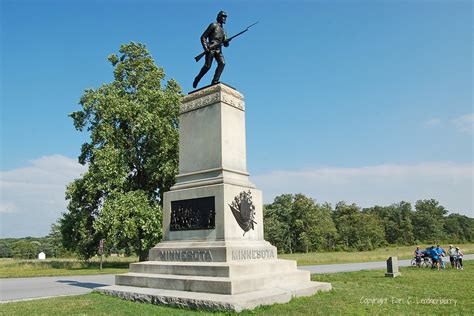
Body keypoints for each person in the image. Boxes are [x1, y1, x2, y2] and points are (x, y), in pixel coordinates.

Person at [193, 11, 229, 88]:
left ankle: (215, 81)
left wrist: (227, 42)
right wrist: (205, 47)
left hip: (218, 50)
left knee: (222, 63)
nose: (224, 18)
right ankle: (197, 78)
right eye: (223, 16)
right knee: (207, 66)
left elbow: (226, 44)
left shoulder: (224, 30)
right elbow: (203, 37)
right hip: (211, 48)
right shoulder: (213, 25)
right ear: (219, 17)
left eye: (225, 17)